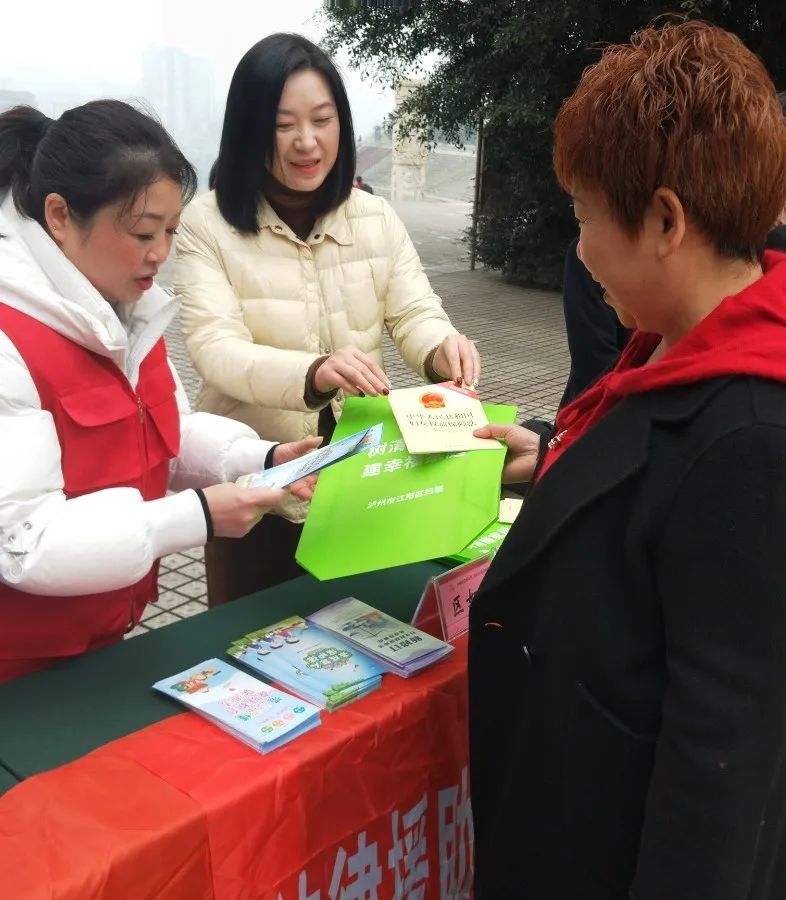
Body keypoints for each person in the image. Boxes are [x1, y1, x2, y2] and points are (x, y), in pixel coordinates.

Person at [470, 21, 786, 898]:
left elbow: (723, 777)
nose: (578, 249)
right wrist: (556, 452)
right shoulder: (676, 343)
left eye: (583, 216)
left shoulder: (756, 438)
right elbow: (652, 484)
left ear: (665, 220)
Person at [0, 100, 319, 683]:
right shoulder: (10, 337)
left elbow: (165, 429)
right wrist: (195, 516)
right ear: (60, 216)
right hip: (19, 665)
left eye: (171, 231)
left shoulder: (125, 308)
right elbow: (21, 540)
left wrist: (263, 458)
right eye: (143, 232)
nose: (160, 255)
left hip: (103, 637)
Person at [175, 33, 479, 604]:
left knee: (368, 638)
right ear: (248, 129)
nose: (307, 142)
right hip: (259, 494)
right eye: (283, 124)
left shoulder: (375, 217)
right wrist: (313, 373)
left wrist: (442, 349)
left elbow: (414, 310)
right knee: (252, 642)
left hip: (361, 485)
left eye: (322, 119)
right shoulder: (206, 224)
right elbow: (215, 348)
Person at [559, 236, 630, 407]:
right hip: (594, 407)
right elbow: (593, 357)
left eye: (584, 222)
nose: (580, 251)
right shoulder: (589, 252)